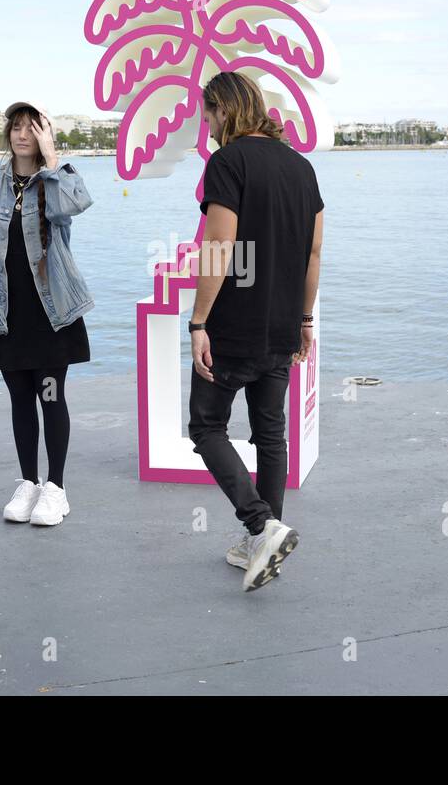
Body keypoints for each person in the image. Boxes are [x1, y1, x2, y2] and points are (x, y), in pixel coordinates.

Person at [186, 71, 324, 593]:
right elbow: (314, 252)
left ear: (225, 110)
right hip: (283, 323)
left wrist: (198, 321)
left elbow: (219, 248)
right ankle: (263, 541)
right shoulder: (302, 167)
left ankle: (261, 526)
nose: (208, 127)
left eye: (208, 115)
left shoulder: (228, 162)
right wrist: (305, 320)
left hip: (234, 326)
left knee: (206, 427)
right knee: (270, 432)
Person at [0, 101, 93, 527]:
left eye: (32, 128)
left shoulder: (54, 181)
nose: (22, 135)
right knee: (20, 396)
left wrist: (52, 158)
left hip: (52, 309)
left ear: (44, 134)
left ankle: (56, 487)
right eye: (16, 127)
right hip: (5, 310)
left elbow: (77, 203)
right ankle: (28, 482)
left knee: (50, 395)